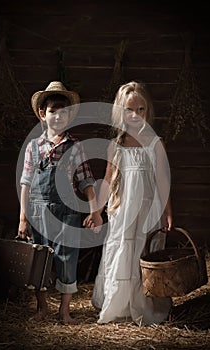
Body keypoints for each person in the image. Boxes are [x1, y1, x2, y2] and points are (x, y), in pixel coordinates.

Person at [18, 81, 103, 324]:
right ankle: (42, 308)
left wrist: (95, 211)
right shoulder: (34, 147)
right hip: (38, 211)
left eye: (64, 112)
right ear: (43, 115)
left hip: (66, 212)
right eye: (53, 111)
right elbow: (25, 183)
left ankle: (64, 312)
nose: (59, 116)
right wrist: (23, 218)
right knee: (39, 261)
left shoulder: (75, 147)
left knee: (67, 259)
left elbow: (86, 180)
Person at [90, 80, 173, 326]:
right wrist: (97, 211)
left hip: (148, 209)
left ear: (148, 111)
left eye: (141, 110)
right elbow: (107, 179)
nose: (135, 115)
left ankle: (145, 305)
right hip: (122, 208)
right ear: (120, 112)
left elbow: (163, 180)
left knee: (143, 253)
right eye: (130, 110)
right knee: (121, 249)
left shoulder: (155, 143)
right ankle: (118, 304)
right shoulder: (116, 145)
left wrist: (168, 211)